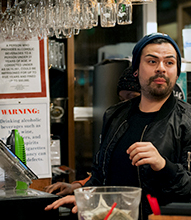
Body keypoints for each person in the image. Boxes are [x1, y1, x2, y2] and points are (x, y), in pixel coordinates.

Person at [45, 33, 191, 219]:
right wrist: (84, 198)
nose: (161, 68)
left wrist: (164, 166)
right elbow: (100, 176)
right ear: (136, 69)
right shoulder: (115, 116)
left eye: (169, 63)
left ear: (176, 72)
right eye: (152, 61)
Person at [43, 66, 141, 196]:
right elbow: (104, 173)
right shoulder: (118, 124)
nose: (126, 105)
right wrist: (78, 186)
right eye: (122, 100)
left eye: (132, 98)